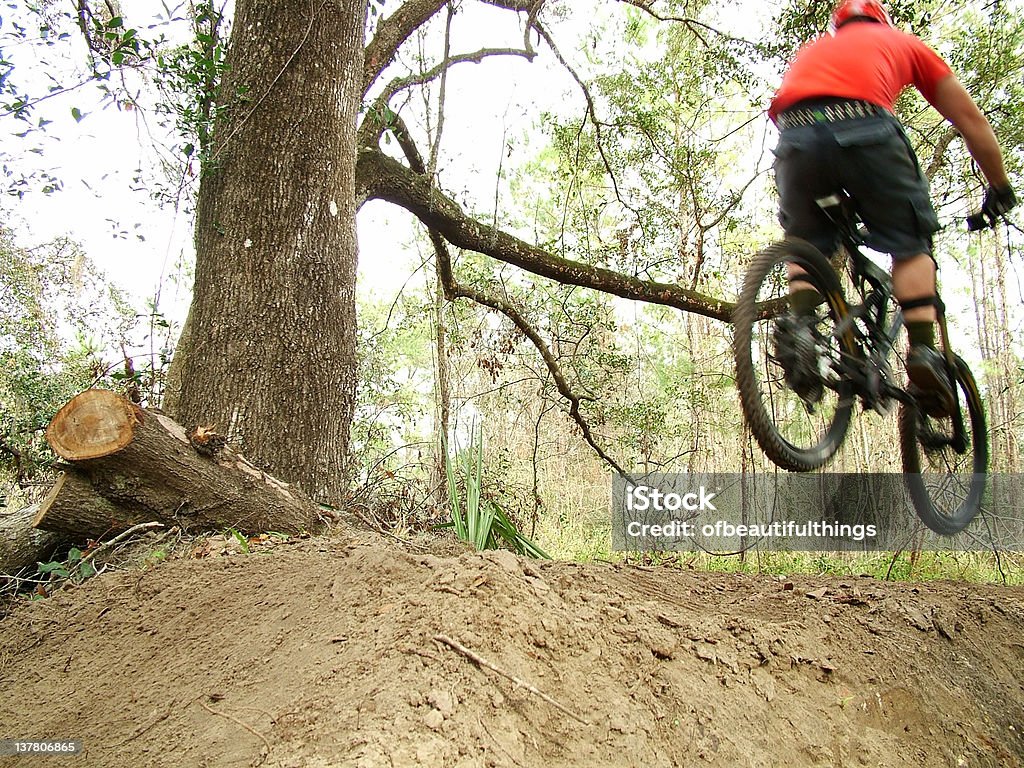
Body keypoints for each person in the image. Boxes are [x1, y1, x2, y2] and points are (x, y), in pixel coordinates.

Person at [768, 0, 1016, 417]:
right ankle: (922, 352)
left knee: (805, 242)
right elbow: (970, 120)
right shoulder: (902, 42)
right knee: (910, 245)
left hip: (794, 139)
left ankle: (803, 326)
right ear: (881, 19)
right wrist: (999, 187)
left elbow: (802, 117)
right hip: (866, 126)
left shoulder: (811, 51)